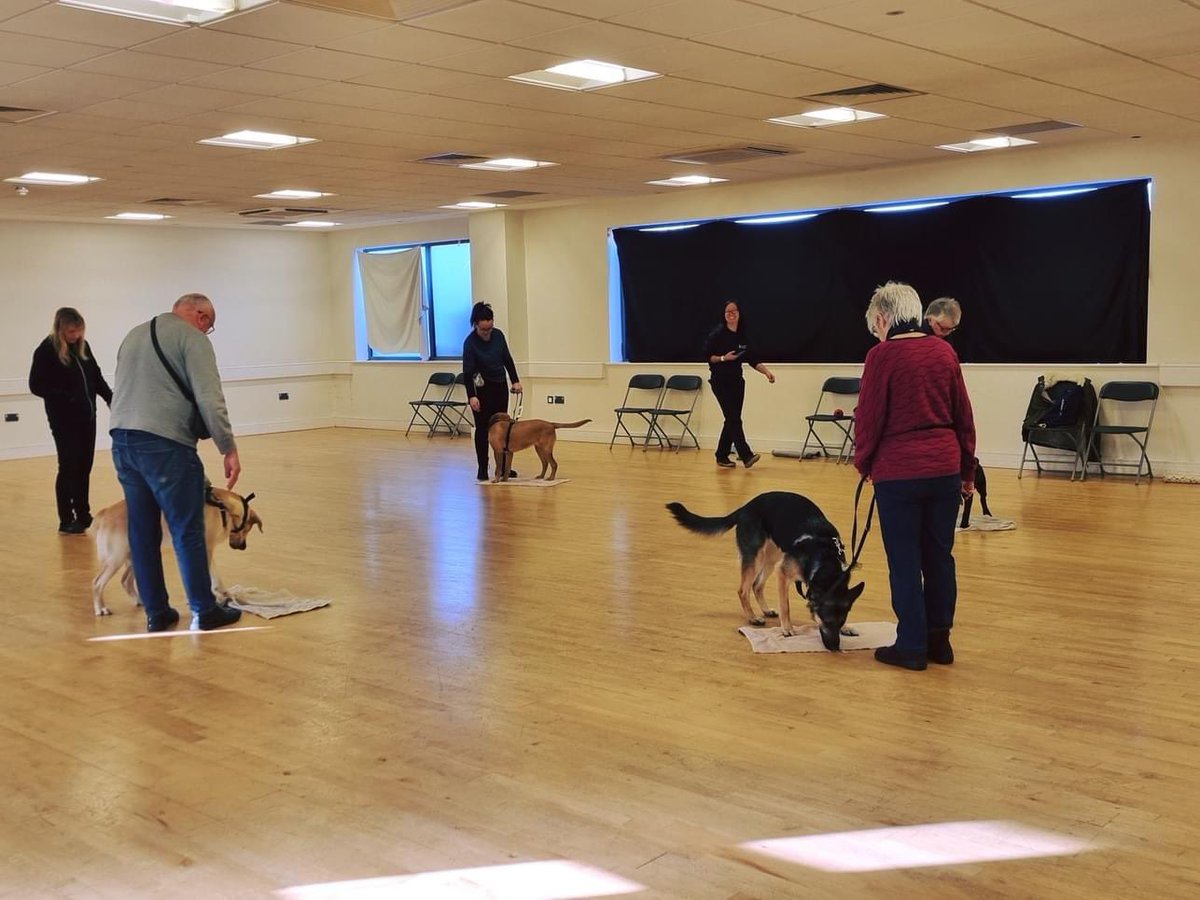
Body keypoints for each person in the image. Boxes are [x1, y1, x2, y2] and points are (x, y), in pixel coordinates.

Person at [854, 282, 976, 671]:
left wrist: (865, 464)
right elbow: (964, 417)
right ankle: (940, 643)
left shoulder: (881, 356)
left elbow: (869, 419)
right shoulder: (944, 352)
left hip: (898, 473)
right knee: (939, 556)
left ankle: (910, 646)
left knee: (904, 560)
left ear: (882, 317)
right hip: (944, 469)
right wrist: (967, 470)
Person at [108, 293, 242, 632]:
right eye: (208, 324)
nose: (206, 330)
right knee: (187, 528)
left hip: (123, 441)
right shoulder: (193, 339)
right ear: (199, 315)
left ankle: (157, 612)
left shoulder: (134, 334)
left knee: (142, 530)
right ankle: (204, 609)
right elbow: (210, 399)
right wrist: (228, 447)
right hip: (165, 445)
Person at [28, 307, 113, 535]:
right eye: (71, 332)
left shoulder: (83, 348)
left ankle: (83, 514)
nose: (75, 336)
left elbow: (95, 376)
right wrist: (66, 397)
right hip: (64, 420)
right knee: (68, 467)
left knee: (84, 466)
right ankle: (66, 518)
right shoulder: (46, 350)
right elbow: (36, 385)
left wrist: (110, 399)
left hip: (87, 417)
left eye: (79, 331)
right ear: (61, 330)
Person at [705, 300, 775, 468]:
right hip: (720, 381)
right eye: (728, 312)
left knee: (732, 419)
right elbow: (708, 357)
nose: (731, 314)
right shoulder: (717, 335)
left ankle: (721, 455)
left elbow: (752, 359)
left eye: (734, 311)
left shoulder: (743, 336)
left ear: (739, 313)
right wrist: (723, 358)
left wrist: (766, 372)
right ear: (724, 315)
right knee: (734, 419)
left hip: (737, 382)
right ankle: (746, 455)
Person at [462, 302, 522, 481]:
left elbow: (507, 359)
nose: (487, 333)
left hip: (499, 386)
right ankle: (482, 467)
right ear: (475, 325)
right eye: (483, 330)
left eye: (490, 328)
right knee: (482, 429)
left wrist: (515, 380)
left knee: (502, 428)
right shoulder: (470, 343)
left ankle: (503, 467)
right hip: (481, 390)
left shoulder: (498, 336)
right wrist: (471, 396)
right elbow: (468, 373)